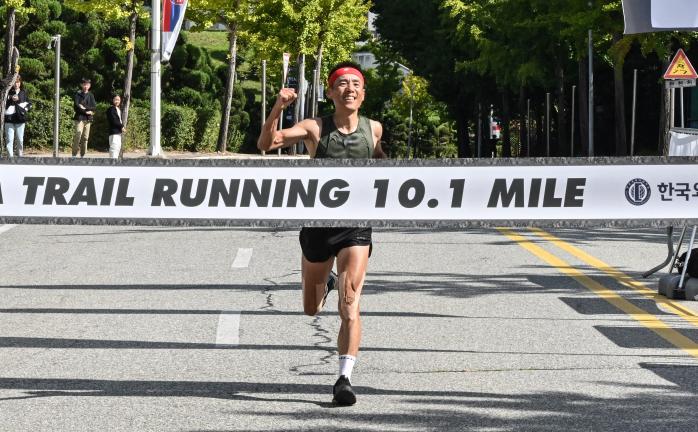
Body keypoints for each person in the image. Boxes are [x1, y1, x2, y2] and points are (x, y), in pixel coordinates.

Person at [258, 61, 384, 406]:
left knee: (350, 303)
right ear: (330, 93)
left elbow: (384, 167)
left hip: (355, 228)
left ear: (363, 93)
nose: (350, 89)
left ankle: (344, 378)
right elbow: (267, 144)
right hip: (317, 228)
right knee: (311, 308)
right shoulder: (315, 128)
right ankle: (324, 281)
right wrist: (278, 108)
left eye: (355, 84)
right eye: (342, 84)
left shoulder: (374, 129)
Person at [4, 75, 30, 158]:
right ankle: (10, 158)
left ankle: (20, 157)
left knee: (20, 140)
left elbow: (29, 104)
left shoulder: (23, 92)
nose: (16, 84)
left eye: (18, 82)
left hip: (20, 119)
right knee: (9, 140)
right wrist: (10, 98)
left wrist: (25, 110)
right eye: (15, 82)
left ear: (20, 83)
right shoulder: (8, 92)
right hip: (9, 119)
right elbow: (3, 104)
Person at [72, 78, 96, 157]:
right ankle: (74, 155)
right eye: (84, 84)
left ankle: (83, 155)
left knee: (85, 138)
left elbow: (94, 108)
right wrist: (86, 111)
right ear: (82, 85)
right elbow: (76, 107)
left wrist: (84, 107)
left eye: (87, 85)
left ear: (89, 86)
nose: (86, 86)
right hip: (79, 119)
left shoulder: (91, 95)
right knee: (77, 136)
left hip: (88, 119)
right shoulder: (78, 94)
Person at [106, 94, 125, 159]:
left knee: (117, 148)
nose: (117, 101)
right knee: (114, 147)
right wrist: (122, 126)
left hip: (118, 132)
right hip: (114, 132)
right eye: (115, 99)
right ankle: (112, 163)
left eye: (118, 100)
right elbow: (114, 120)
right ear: (112, 100)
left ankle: (114, 163)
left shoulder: (117, 109)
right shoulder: (111, 109)